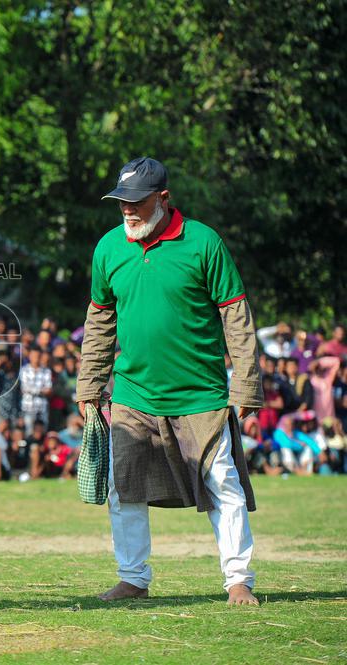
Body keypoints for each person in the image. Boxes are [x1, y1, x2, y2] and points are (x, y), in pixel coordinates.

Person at [77, 157, 263, 606]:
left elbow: (235, 317)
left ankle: (238, 580)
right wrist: (89, 386)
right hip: (133, 394)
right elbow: (99, 322)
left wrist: (247, 388)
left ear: (163, 199)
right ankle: (133, 577)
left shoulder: (204, 242)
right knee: (124, 486)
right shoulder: (108, 248)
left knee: (223, 482)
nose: (128, 211)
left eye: (137, 202)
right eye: (121, 202)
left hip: (201, 394)